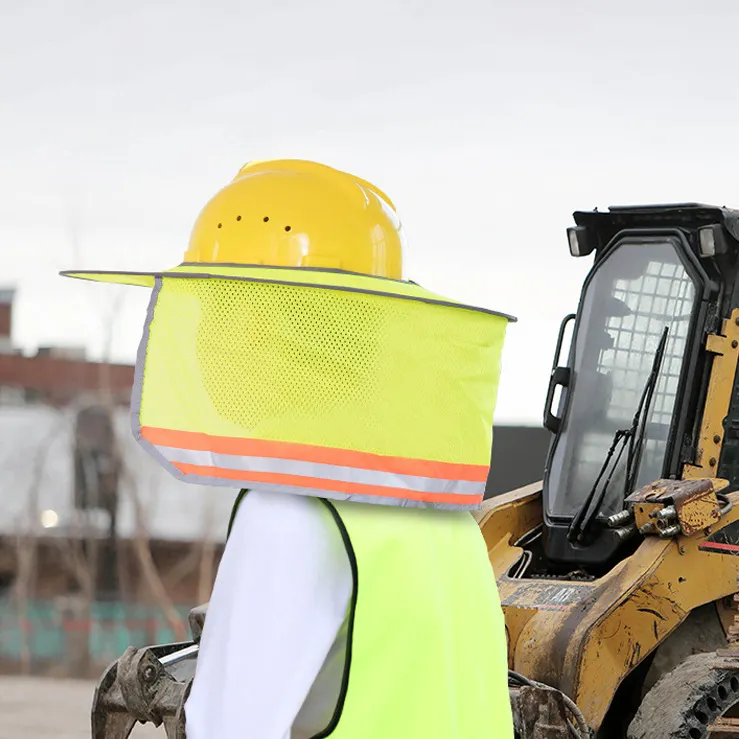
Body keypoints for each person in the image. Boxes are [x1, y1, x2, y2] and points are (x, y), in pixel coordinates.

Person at [63, 159, 514, 738]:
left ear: (263, 326)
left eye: (218, 311)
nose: (205, 338)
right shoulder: (437, 512)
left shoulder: (291, 507)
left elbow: (230, 729)